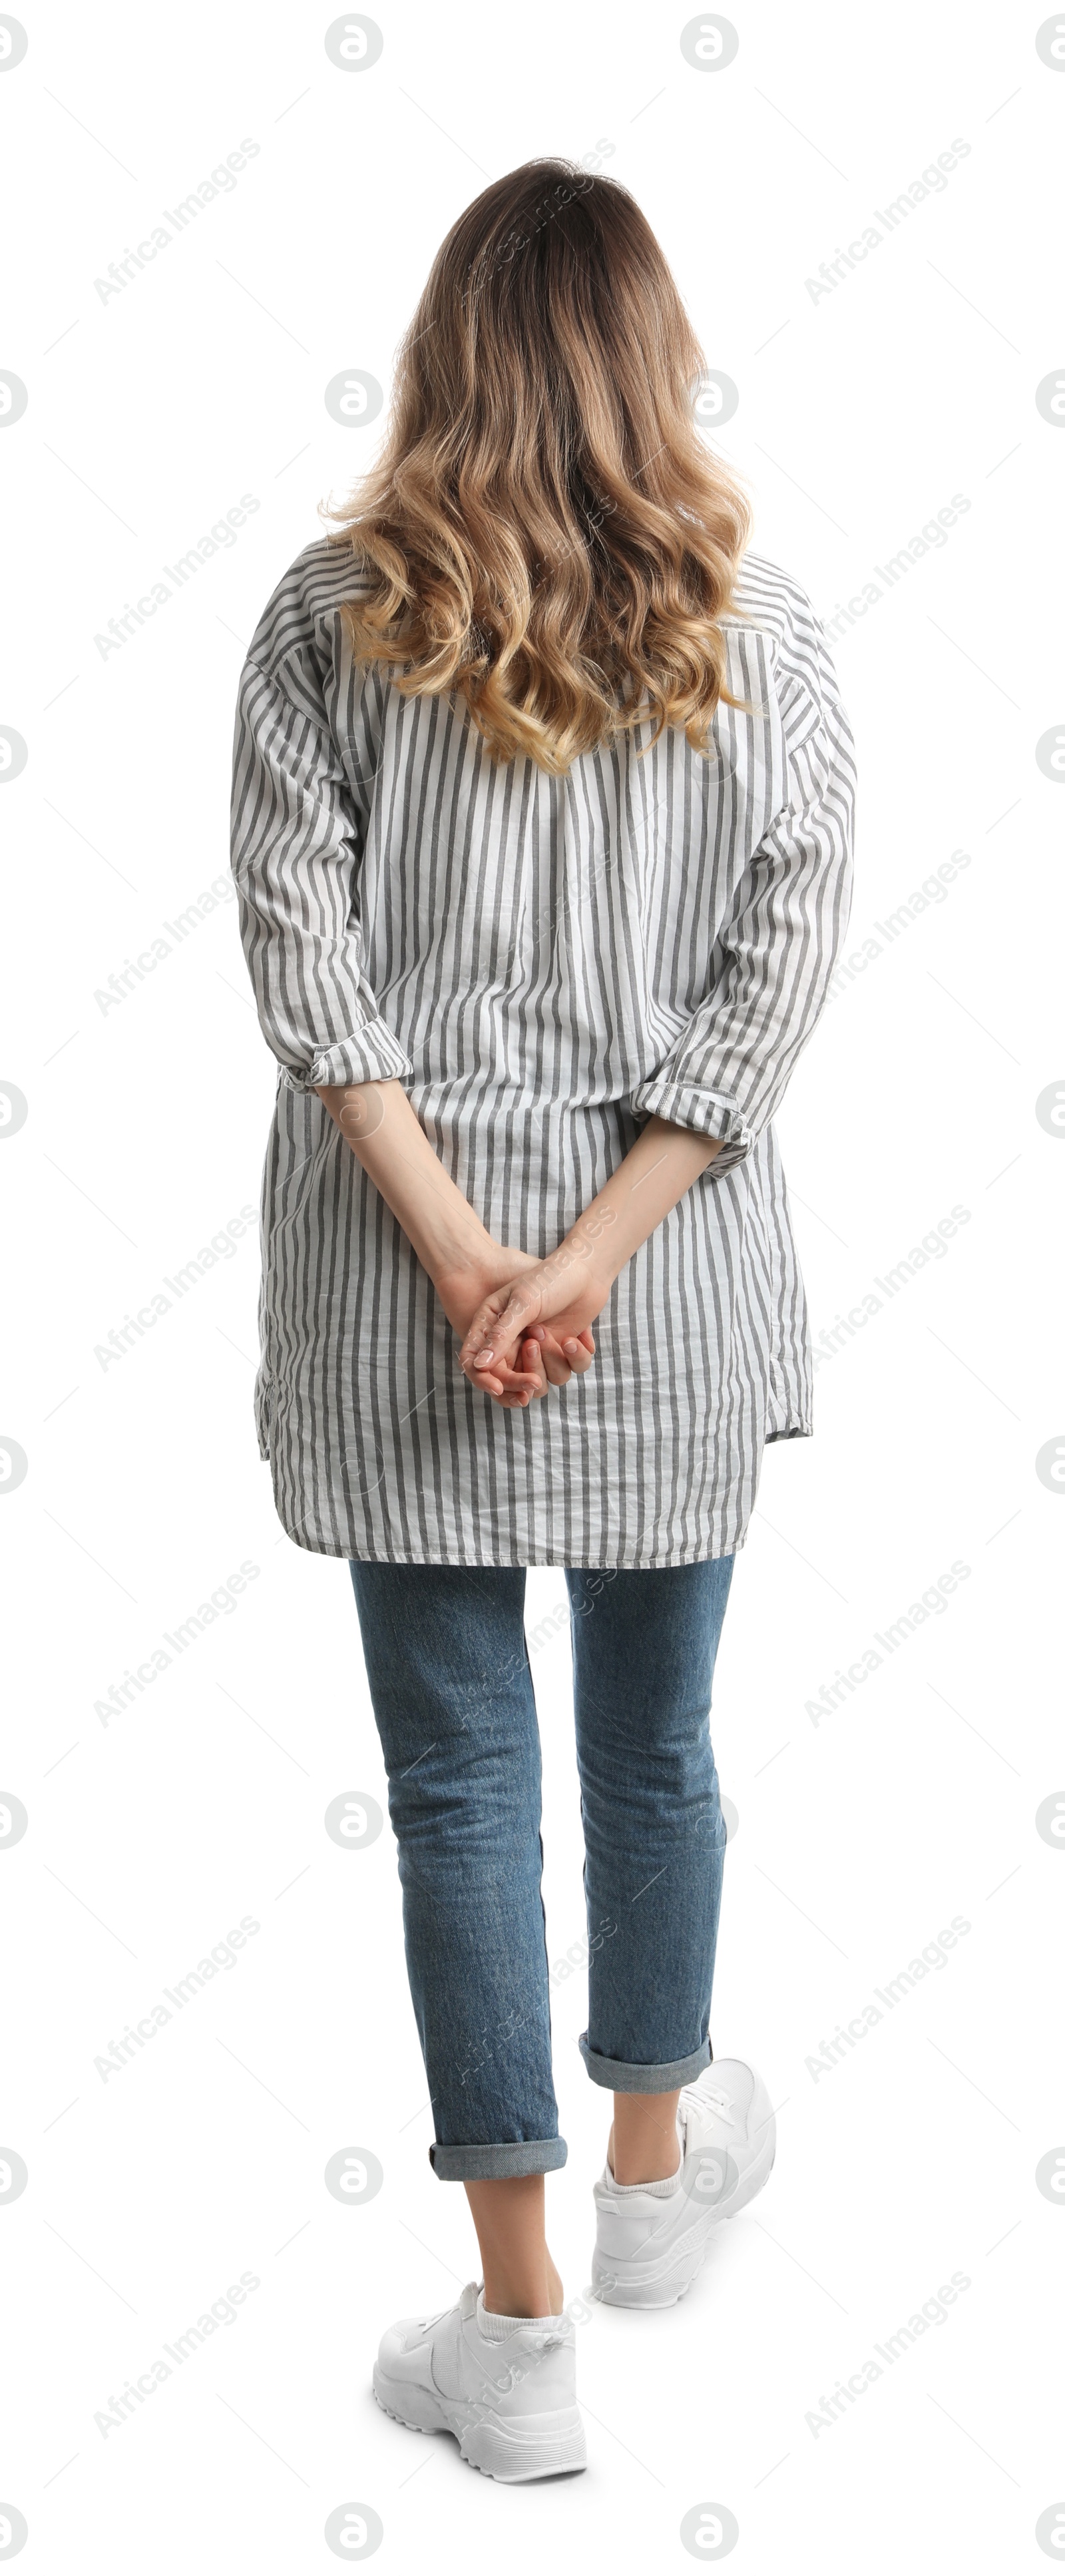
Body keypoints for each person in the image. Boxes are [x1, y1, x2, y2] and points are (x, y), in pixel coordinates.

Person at [231, 158, 855, 2483]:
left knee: (461, 1787)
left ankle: (516, 2345)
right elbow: (776, 974)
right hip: (661, 1291)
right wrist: (588, 1261)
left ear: (447, 354)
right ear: (646, 356)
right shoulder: (759, 632)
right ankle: (662, 2173)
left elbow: (316, 980)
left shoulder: (326, 619)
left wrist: (471, 1255)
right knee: (655, 1744)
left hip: (415, 1300)